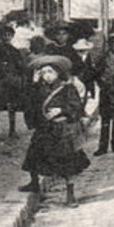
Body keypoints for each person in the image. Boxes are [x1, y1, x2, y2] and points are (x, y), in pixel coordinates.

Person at [18, 55, 89, 207]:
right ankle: (34, 183)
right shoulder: (38, 89)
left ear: (58, 73)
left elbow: (77, 107)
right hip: (45, 128)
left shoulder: (67, 88)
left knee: (67, 162)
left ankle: (70, 194)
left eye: (50, 72)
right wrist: (34, 84)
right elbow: (29, 104)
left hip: (62, 129)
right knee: (34, 155)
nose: (47, 76)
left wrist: (61, 110)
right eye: (43, 73)